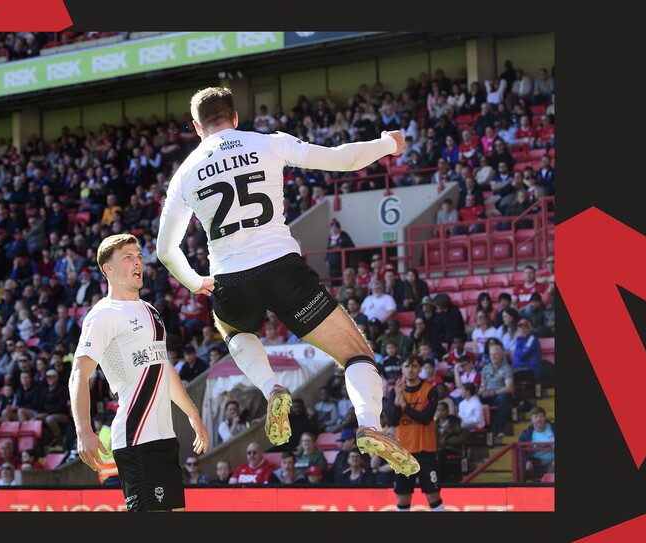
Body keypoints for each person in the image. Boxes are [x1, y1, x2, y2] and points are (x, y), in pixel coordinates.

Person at [156, 86, 417, 476]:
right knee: (356, 354)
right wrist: (385, 145)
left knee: (231, 328)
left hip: (230, 276)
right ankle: (369, 424)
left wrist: (195, 282)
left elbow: (164, 250)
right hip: (284, 269)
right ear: (236, 117)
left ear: (197, 127)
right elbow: (339, 159)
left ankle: (271, 388)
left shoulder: (184, 174)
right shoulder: (268, 143)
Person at [70, 234, 208, 512]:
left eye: (139, 256)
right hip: (136, 438)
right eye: (128, 257)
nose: (138, 263)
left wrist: (193, 415)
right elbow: (78, 374)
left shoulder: (151, 310)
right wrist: (84, 430)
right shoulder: (103, 314)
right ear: (107, 268)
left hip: (165, 438)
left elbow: (163, 367)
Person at [382, 355, 444, 510]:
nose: (411, 369)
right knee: (403, 498)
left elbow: (426, 418)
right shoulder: (395, 391)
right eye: (407, 366)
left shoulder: (430, 390)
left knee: (433, 496)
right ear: (402, 369)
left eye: (415, 366)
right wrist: (397, 399)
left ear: (420, 369)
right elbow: (393, 421)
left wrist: (405, 407)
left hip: (426, 451)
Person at [480, 342, 515, 438]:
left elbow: (509, 388)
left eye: (495, 354)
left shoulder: (507, 368)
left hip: (501, 393)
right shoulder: (485, 368)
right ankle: (484, 429)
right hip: (489, 393)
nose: (493, 357)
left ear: (501, 355)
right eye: (491, 354)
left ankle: (500, 430)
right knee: (477, 399)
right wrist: (482, 391)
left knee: (501, 399)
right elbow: (483, 384)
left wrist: (493, 393)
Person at [36, 368, 71, 447]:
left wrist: (47, 413)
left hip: (61, 413)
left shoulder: (63, 390)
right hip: (47, 414)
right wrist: (40, 413)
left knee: (49, 419)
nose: (50, 379)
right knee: (34, 420)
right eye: (48, 377)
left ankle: (59, 439)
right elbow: (41, 404)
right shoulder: (44, 390)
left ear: (56, 377)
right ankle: (47, 440)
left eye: (52, 377)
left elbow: (62, 406)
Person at [519, 406, 555, 480]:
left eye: (541, 416)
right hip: (536, 463)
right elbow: (521, 450)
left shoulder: (553, 428)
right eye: (536, 417)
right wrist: (527, 462)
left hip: (552, 462)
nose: (539, 419)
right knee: (521, 468)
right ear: (532, 419)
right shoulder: (526, 434)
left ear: (545, 417)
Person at [434, 401, 468, 479]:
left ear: (447, 412)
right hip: (437, 448)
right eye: (438, 410)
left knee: (441, 454)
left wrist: (450, 441)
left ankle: (441, 478)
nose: (440, 412)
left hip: (452, 448)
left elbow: (465, 435)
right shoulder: (434, 425)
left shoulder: (454, 424)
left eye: (443, 410)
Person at [326, 219, 355, 285]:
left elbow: (352, 247)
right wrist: (327, 259)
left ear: (339, 228)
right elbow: (328, 249)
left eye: (335, 227)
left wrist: (341, 248)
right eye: (332, 228)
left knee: (343, 280)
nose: (333, 229)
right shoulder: (330, 238)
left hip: (342, 263)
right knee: (333, 282)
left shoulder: (344, 235)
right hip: (332, 266)